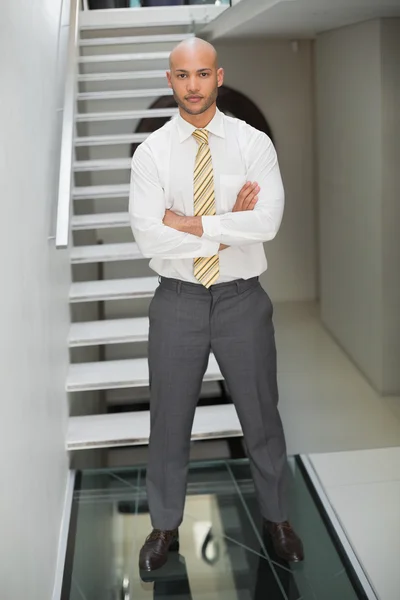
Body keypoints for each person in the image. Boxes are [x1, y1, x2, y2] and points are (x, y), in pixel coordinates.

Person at [129, 37, 304, 572]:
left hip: (242, 301)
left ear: (218, 76)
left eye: (203, 74)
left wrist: (190, 223)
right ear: (170, 80)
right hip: (176, 301)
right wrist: (230, 225)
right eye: (183, 75)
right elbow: (149, 237)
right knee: (169, 422)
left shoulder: (253, 145)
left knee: (262, 417)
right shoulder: (152, 153)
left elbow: (267, 224)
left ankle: (277, 519)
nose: (193, 85)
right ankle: (164, 527)